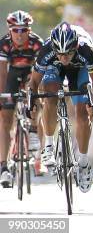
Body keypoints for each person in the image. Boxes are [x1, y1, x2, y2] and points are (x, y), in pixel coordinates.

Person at [29, 22, 93, 193]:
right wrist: (31, 102)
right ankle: (48, 145)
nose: (63, 58)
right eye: (60, 53)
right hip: (53, 69)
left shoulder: (86, 51)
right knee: (49, 95)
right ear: (54, 48)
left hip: (80, 69)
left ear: (75, 47)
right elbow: (34, 82)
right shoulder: (47, 50)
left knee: (82, 114)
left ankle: (83, 163)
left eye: (68, 53)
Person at [0, 11, 44, 186]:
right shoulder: (3, 44)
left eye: (23, 30)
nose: (19, 34)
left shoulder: (36, 43)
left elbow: (39, 73)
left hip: (30, 74)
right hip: (11, 75)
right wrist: (2, 96)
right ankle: (3, 167)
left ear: (29, 30)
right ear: (10, 30)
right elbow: (2, 73)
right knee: (5, 120)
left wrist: (35, 93)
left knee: (33, 95)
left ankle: (33, 130)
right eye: (15, 30)